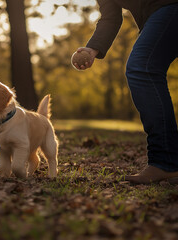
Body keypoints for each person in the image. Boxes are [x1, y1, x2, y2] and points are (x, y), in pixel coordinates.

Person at [73, 0, 178, 184]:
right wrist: (91, 49)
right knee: (143, 67)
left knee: (142, 67)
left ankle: (165, 160)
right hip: (157, 16)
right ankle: (166, 161)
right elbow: (110, 18)